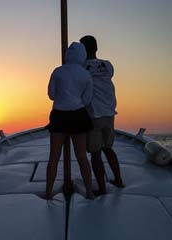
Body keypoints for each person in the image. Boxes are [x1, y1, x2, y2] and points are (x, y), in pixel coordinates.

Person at [46, 42, 94, 200]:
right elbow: (87, 100)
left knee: (54, 156)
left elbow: (51, 95)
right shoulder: (85, 75)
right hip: (78, 116)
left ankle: (48, 192)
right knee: (81, 156)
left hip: (59, 115)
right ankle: (89, 191)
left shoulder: (57, 72)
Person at [80, 35, 124, 195]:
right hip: (109, 114)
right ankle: (119, 180)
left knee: (95, 153)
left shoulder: (82, 68)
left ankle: (102, 189)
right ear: (96, 48)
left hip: (94, 115)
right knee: (108, 148)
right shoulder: (108, 65)